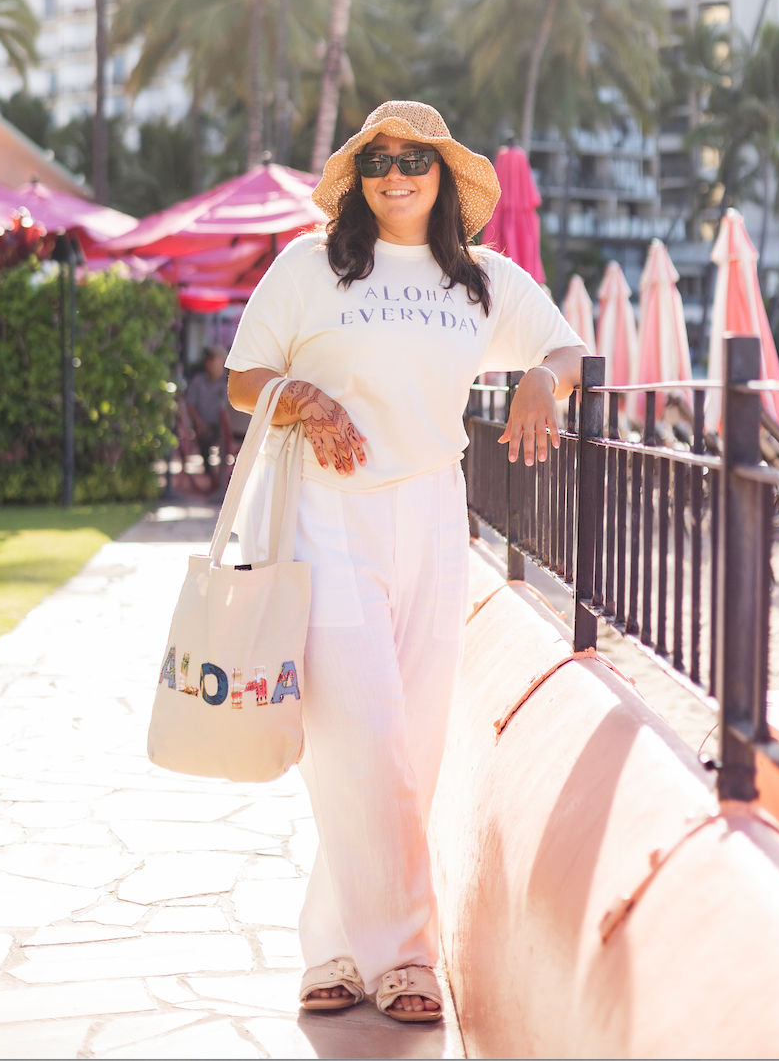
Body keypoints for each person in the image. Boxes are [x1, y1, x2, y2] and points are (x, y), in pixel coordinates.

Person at [226, 102, 586, 1025]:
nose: (395, 174)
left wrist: (543, 380)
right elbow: (243, 379)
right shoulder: (308, 268)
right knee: (360, 732)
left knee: (411, 743)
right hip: (325, 515)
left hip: (432, 513)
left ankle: (334, 945)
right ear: (359, 177)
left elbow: (563, 345)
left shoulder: (481, 281)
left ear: (440, 175)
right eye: (379, 160)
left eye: (413, 160)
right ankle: (405, 962)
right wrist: (298, 394)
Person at [185, 345, 229, 478]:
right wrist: (199, 423)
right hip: (204, 425)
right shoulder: (198, 382)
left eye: (213, 359)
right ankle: (211, 477)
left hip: (226, 427)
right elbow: (190, 405)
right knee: (205, 438)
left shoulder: (230, 382)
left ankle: (224, 478)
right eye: (208, 359)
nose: (209, 362)